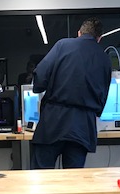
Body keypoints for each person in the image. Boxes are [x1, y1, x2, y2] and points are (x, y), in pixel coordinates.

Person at [30, 17, 112, 169]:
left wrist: (40, 87)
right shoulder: (105, 58)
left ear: (79, 33)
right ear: (99, 38)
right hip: (83, 125)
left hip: (54, 121)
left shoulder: (63, 45)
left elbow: (40, 76)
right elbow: (103, 94)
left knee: (41, 176)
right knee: (74, 178)